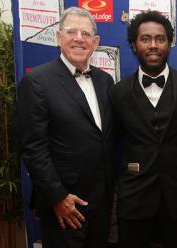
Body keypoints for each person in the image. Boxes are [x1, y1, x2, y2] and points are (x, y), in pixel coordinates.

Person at [17, 7, 116, 248]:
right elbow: (33, 147)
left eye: (85, 33)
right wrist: (58, 197)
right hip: (65, 205)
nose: (79, 38)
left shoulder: (105, 81)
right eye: (71, 31)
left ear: (96, 42)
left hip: (101, 203)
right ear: (59, 37)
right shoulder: (37, 81)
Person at [109, 11, 177, 248]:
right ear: (133, 44)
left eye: (160, 39)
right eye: (145, 38)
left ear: (169, 43)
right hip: (134, 196)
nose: (153, 45)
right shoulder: (118, 92)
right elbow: (112, 140)